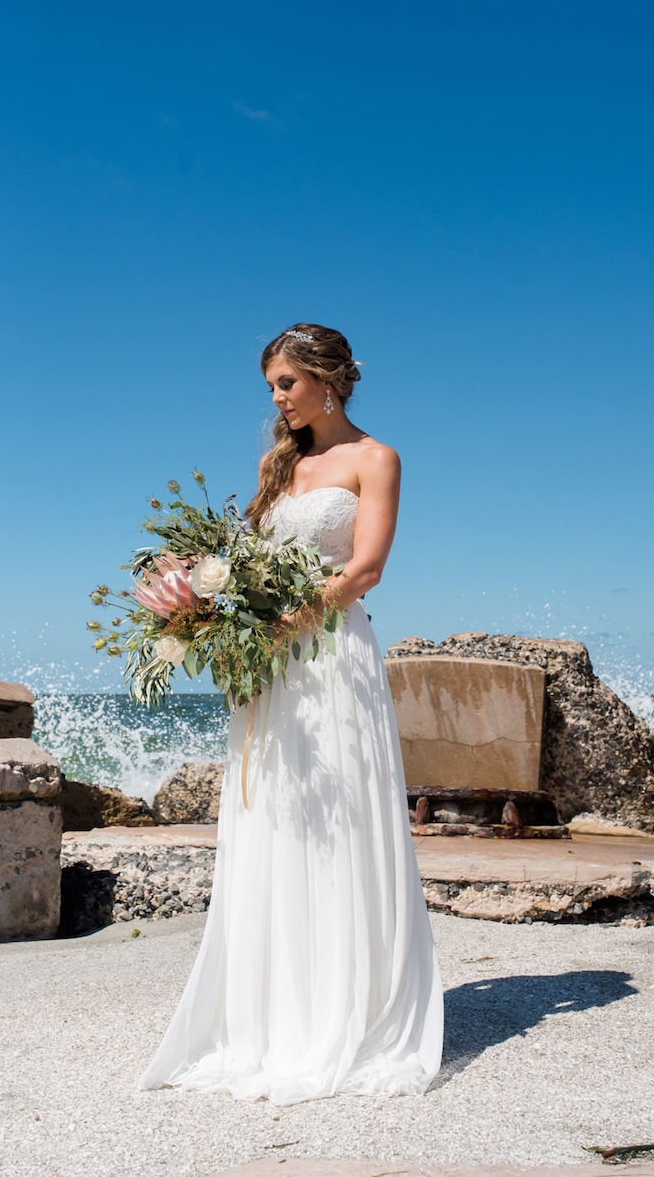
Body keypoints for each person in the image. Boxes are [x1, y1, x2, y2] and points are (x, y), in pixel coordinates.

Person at [139, 323, 444, 1103]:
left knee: (339, 822)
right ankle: (276, 1015)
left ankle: (350, 1011)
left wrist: (287, 623)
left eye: (286, 382)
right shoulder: (281, 470)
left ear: (327, 380)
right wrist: (194, 594)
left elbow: (365, 568)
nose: (276, 398)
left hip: (332, 657)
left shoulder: (376, 459)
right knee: (277, 821)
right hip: (272, 670)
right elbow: (242, 570)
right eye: (271, 385)